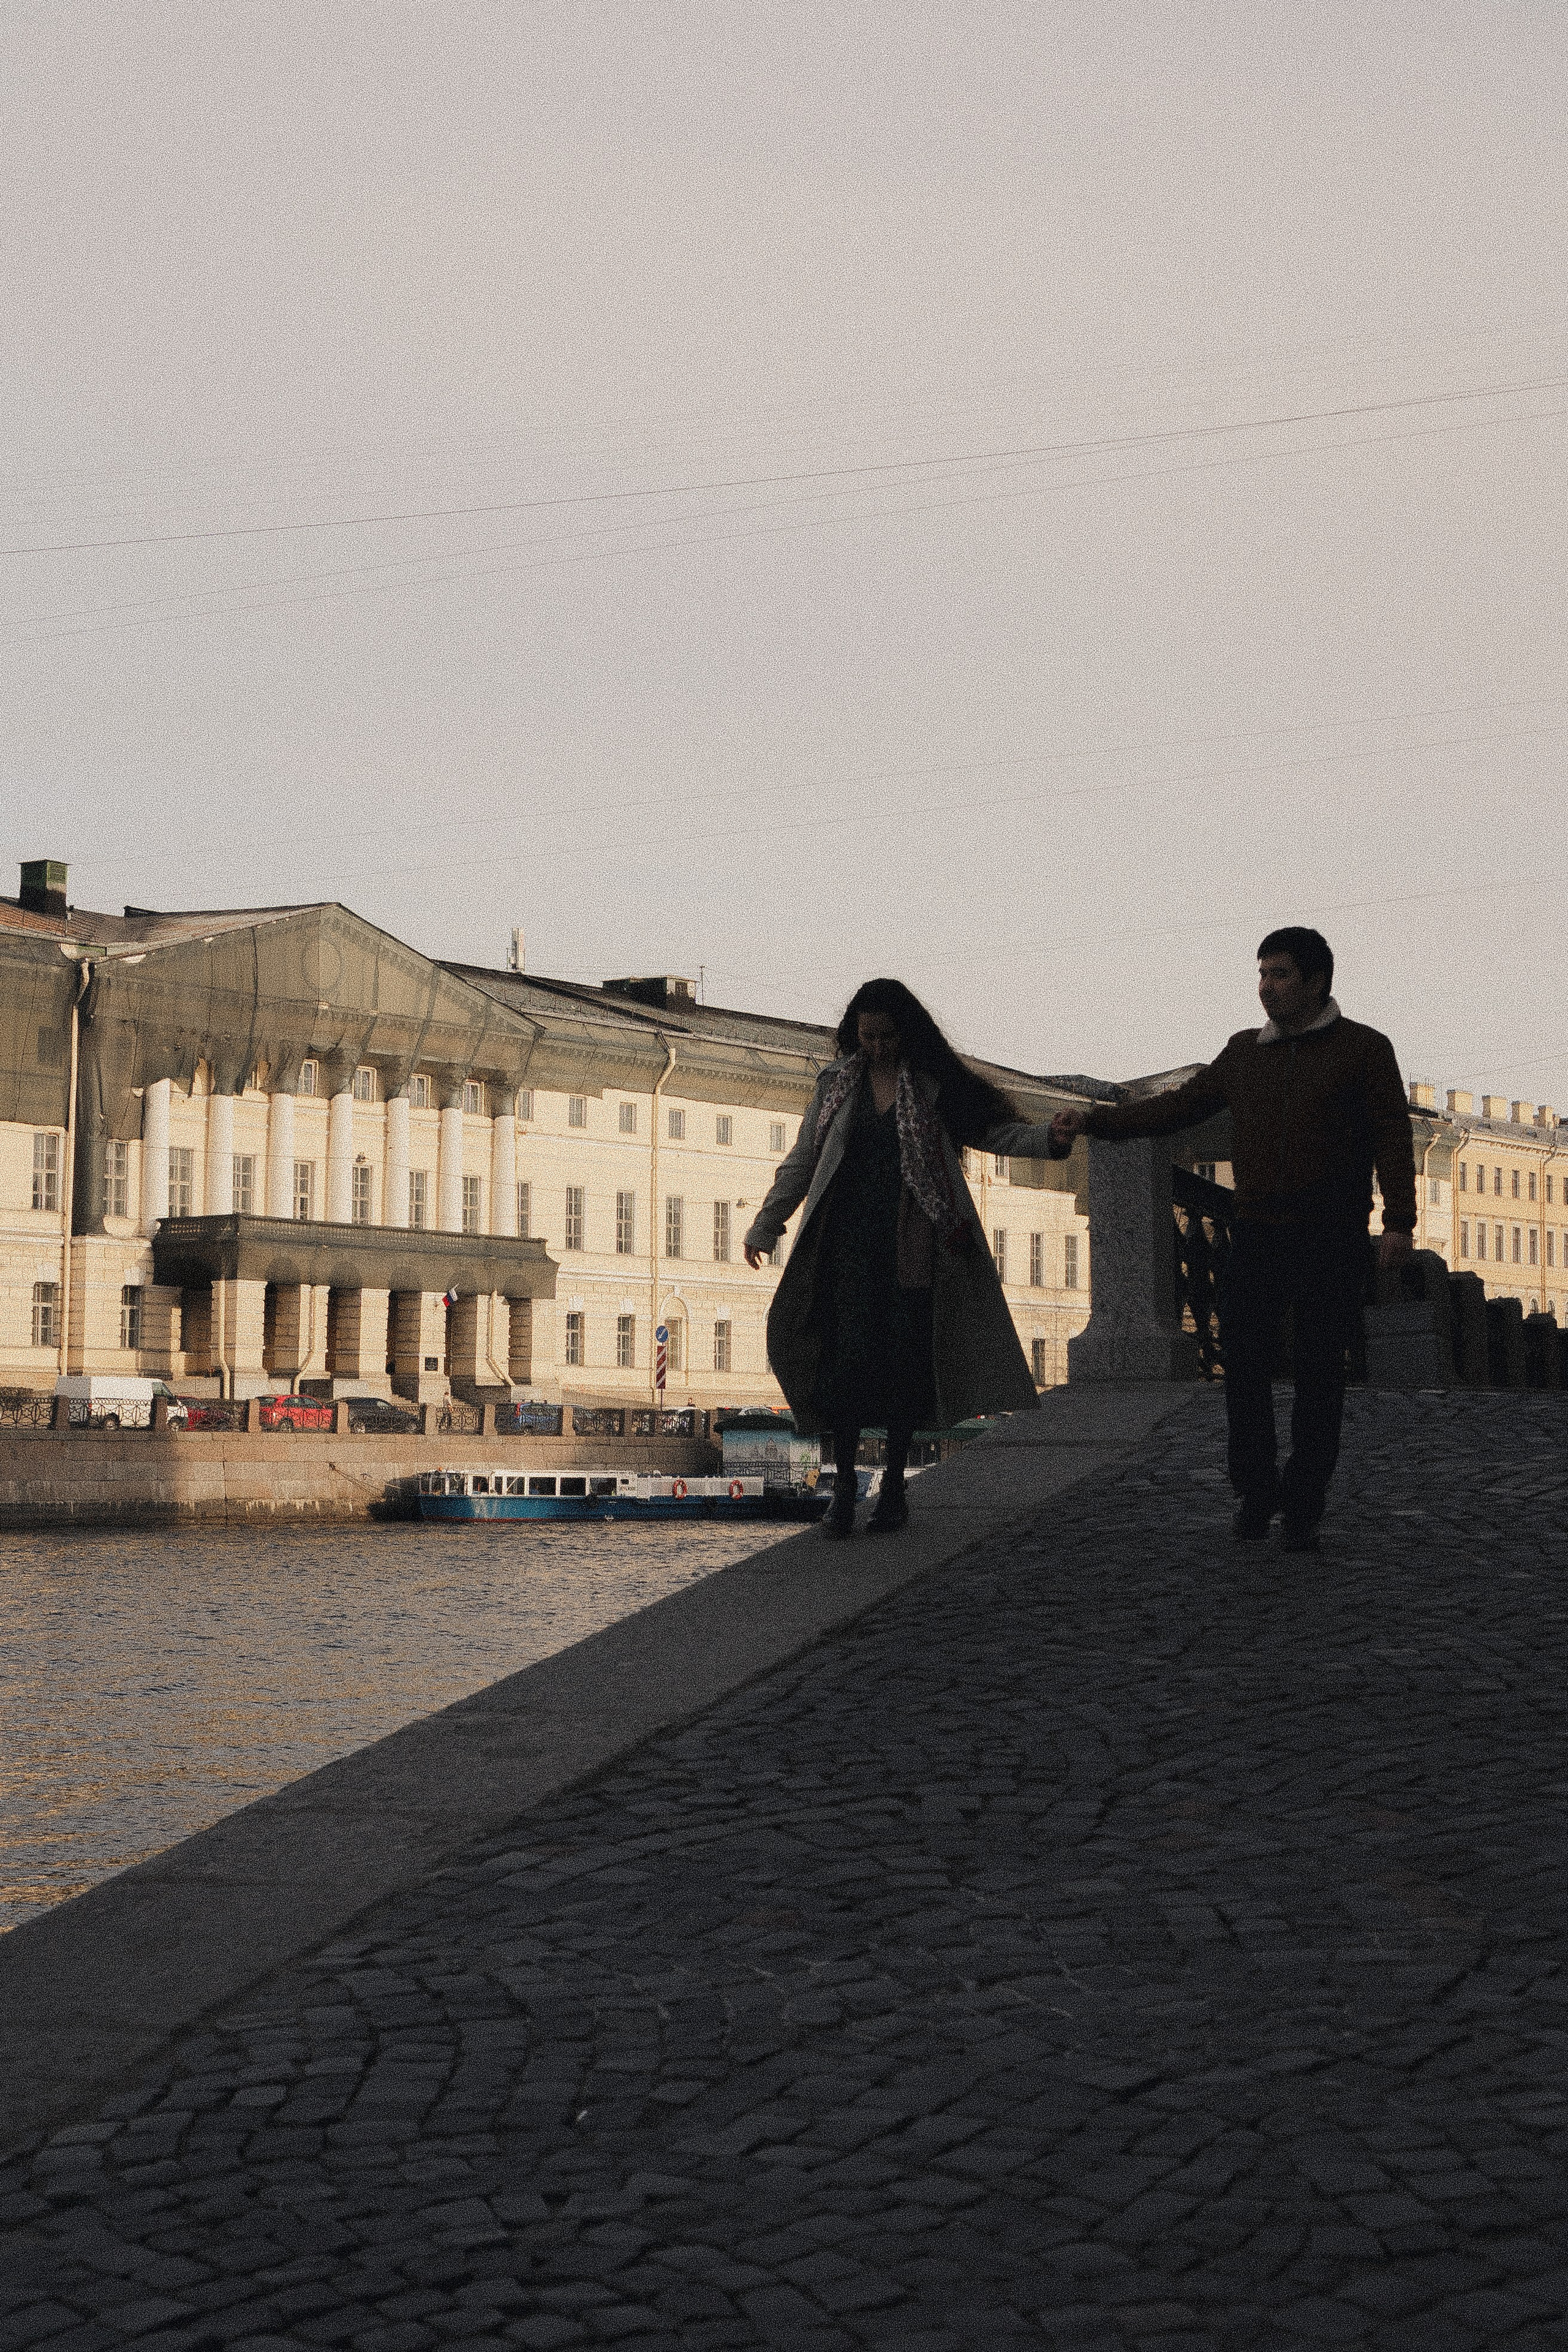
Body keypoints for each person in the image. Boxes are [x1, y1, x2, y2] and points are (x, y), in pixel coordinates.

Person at [1049, 927, 1415, 1554]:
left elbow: (1391, 1136)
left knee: (1319, 1376)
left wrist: (1399, 1224)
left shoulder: (1363, 1050)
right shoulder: (1244, 1052)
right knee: (1240, 1367)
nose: (1265, 987)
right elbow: (1177, 1108)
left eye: (1279, 974)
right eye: (1261, 974)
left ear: (1316, 980)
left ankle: (1303, 1503)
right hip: (1256, 1235)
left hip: (1329, 1238)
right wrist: (1095, 1122)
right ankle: (1254, 1490)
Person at [743, 978, 1060, 1537]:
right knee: (841, 1369)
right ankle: (842, 1492)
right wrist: (768, 1225)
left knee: (903, 1370)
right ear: (853, 1034)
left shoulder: (935, 1087)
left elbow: (996, 1134)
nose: (878, 1048)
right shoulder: (836, 1087)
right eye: (868, 1037)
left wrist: (1050, 1142)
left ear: (907, 1034)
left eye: (888, 1037)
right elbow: (802, 1161)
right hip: (843, 1245)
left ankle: (892, 1489)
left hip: (914, 1243)